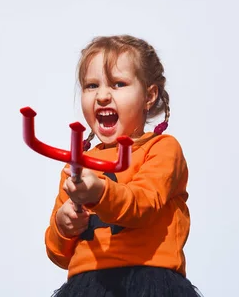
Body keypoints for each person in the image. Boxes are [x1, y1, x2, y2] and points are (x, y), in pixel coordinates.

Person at [45, 35, 201, 296]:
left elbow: (143, 204)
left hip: (150, 281)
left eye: (118, 84)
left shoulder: (162, 148)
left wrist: (100, 193)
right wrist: (64, 226)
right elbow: (59, 254)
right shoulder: (77, 167)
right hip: (89, 287)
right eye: (91, 85)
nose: (103, 96)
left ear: (149, 96)